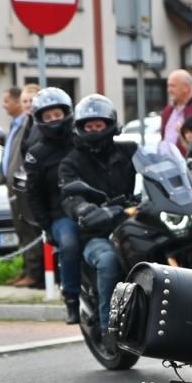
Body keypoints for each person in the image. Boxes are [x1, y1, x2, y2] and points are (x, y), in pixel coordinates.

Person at [57, 93, 135, 335]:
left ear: (110, 125)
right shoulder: (71, 162)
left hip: (134, 222)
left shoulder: (130, 151)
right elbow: (69, 195)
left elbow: (155, 166)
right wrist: (83, 208)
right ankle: (108, 328)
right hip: (97, 233)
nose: (94, 131)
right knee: (108, 260)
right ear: (80, 128)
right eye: (89, 127)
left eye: (99, 126)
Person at [21, 87, 79, 322]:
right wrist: (46, 226)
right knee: (70, 243)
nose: (54, 120)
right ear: (40, 120)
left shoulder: (82, 142)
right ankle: (71, 299)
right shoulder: (37, 154)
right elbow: (34, 195)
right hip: (61, 215)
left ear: (67, 113)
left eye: (57, 115)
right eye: (48, 116)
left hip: (94, 208)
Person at [3, 84, 44, 288]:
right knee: (21, 230)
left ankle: (35, 273)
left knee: (30, 230)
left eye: (31, 101)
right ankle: (28, 269)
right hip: (15, 184)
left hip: (26, 184)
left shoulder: (36, 125)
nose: (28, 105)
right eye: (25, 101)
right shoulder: (21, 123)